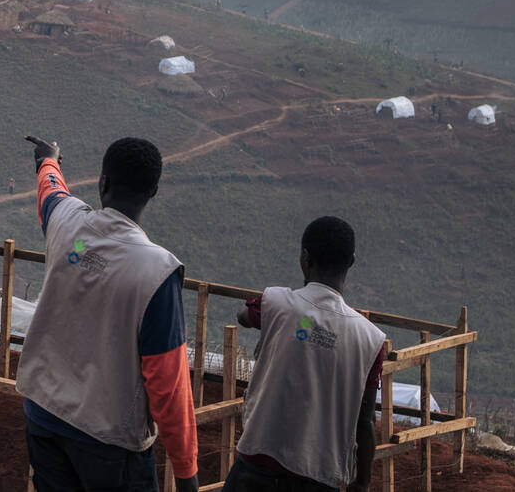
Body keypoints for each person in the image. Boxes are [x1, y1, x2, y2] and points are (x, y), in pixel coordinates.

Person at [20, 135, 198, 492]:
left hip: (43, 417)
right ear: (154, 192)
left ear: (103, 183)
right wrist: (186, 471)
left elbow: (50, 190)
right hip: (109, 441)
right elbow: (168, 384)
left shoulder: (65, 221)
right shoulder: (157, 272)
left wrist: (48, 160)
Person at [227, 217, 385, 492]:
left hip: (257, 467)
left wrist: (295, 326)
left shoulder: (276, 303)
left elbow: (243, 315)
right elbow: (365, 421)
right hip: (321, 476)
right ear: (351, 262)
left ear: (305, 258)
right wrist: (362, 482)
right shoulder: (370, 339)